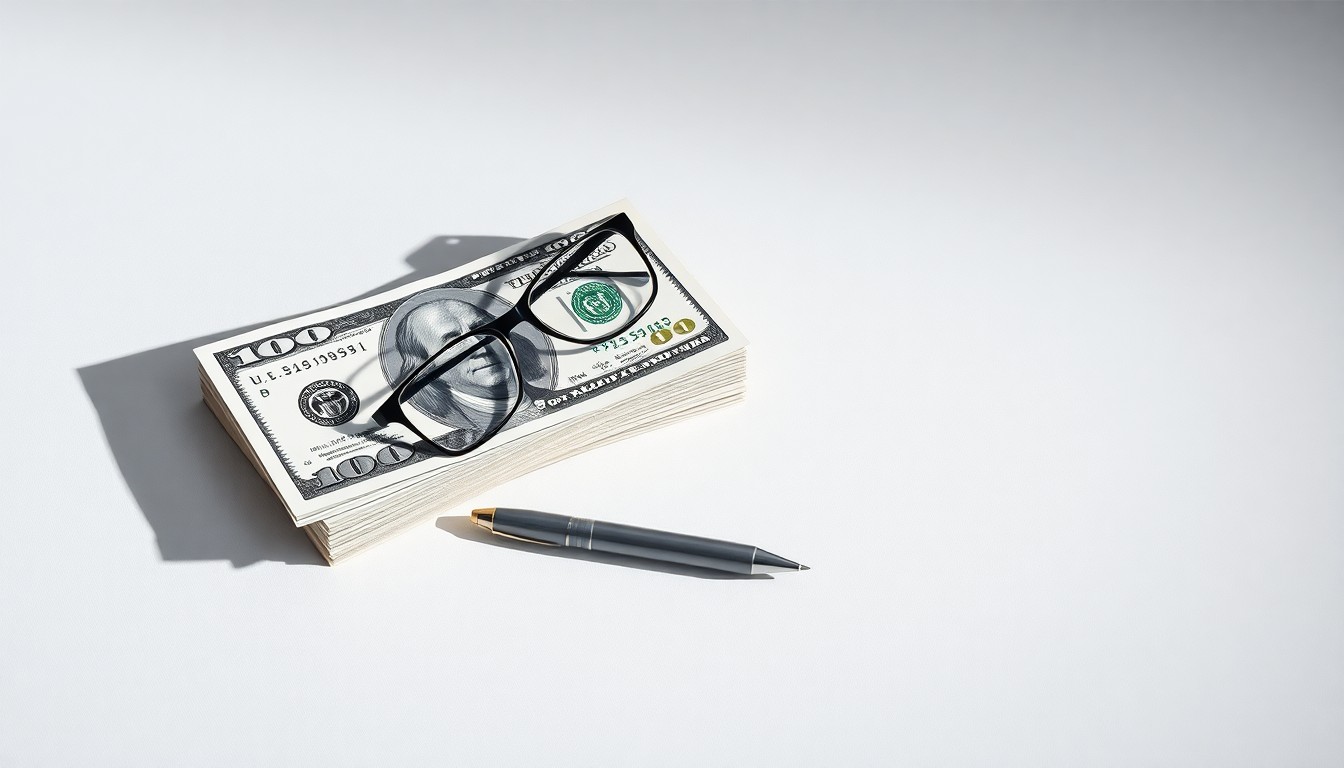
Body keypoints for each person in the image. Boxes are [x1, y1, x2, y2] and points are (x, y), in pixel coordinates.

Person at [392, 298, 550, 438]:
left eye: (484, 329)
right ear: (425, 370)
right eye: (454, 342)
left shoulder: (556, 396)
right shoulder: (453, 433)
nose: (481, 348)